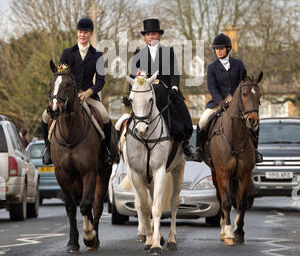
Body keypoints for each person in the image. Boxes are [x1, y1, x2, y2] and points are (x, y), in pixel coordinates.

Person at [41, 17, 112, 165]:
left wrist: (87, 92)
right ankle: (47, 149)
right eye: (80, 32)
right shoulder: (67, 53)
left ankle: (105, 151)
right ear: (77, 33)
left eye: (86, 32)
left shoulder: (98, 55)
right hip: (67, 97)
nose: (82, 35)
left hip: (89, 96)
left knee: (105, 116)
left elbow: (100, 81)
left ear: (91, 34)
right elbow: (60, 76)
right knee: (45, 117)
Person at [128, 18, 195, 159]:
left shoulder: (168, 52)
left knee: (181, 108)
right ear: (145, 37)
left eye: (154, 34)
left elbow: (174, 72)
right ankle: (123, 143)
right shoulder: (138, 54)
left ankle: (184, 140)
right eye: (148, 35)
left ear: (159, 35)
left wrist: (175, 87)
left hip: (164, 88)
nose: (151, 37)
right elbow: (133, 75)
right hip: (145, 91)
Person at [195, 33, 263, 163]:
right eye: (216, 49)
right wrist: (220, 101)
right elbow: (212, 86)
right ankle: (199, 150)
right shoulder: (212, 67)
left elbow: (243, 83)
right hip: (218, 101)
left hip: (237, 101)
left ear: (228, 49)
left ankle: (255, 150)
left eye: (221, 48)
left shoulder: (238, 64)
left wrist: (237, 99)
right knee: (203, 121)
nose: (218, 51)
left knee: (254, 122)